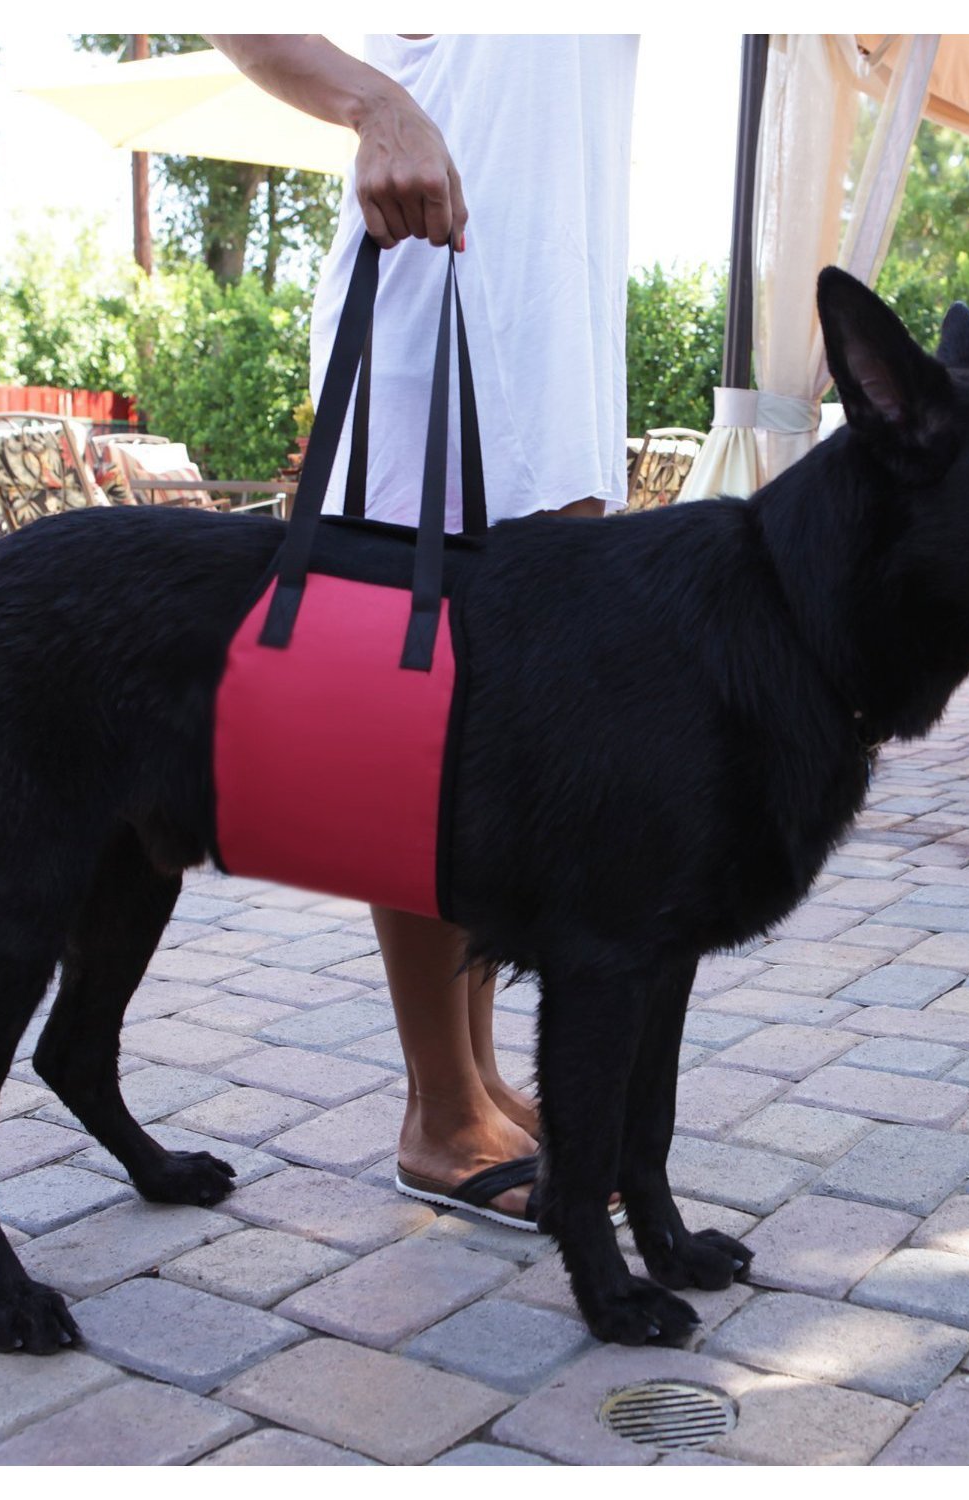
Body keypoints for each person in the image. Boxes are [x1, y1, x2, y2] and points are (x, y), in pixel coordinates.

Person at [207, 33, 638, 1225]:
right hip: (423, 295)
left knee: (504, 746)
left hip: (559, 325)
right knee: (419, 733)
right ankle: (438, 1107)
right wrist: (376, 103)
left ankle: (479, 1073)